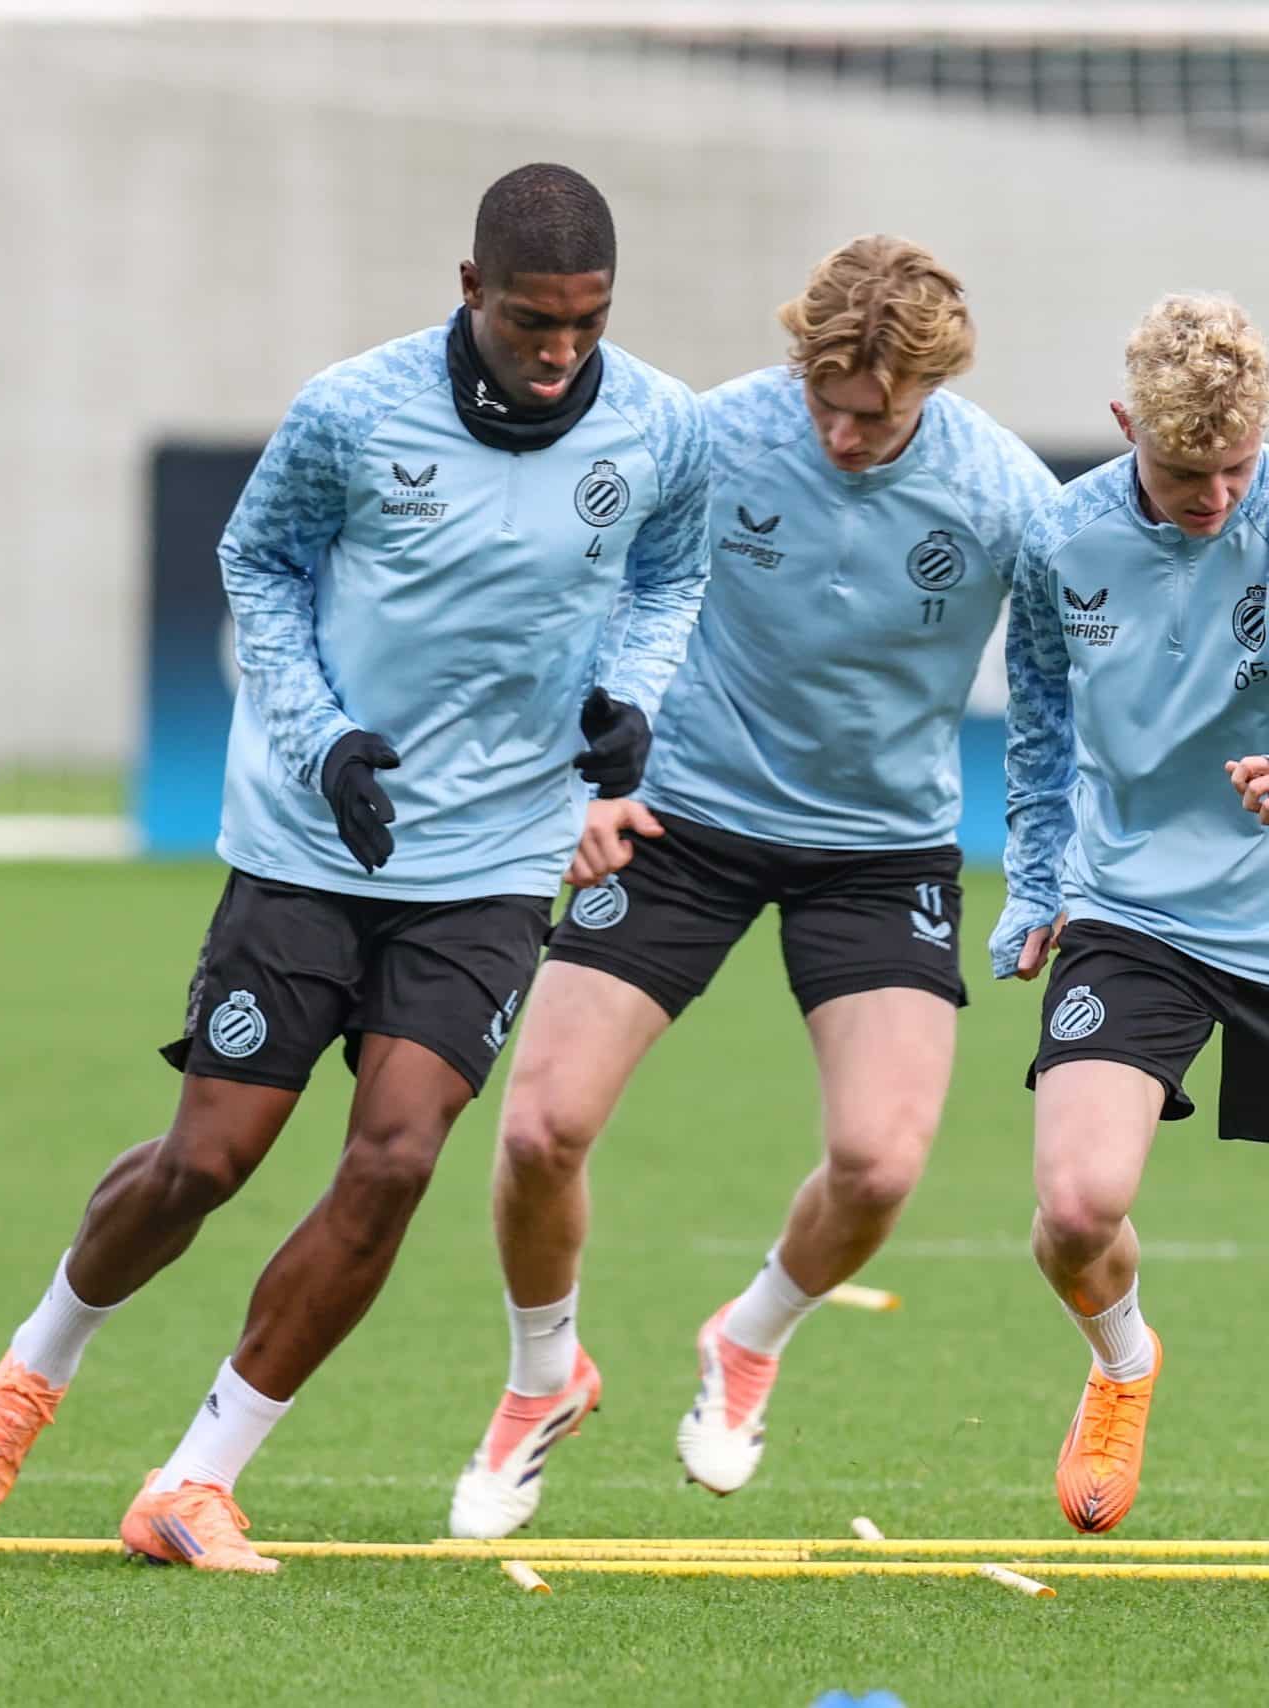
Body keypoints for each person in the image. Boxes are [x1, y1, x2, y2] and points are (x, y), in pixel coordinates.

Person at [0, 164, 711, 1572]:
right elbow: (260, 567)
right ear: (470, 289)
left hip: (493, 851)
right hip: (312, 834)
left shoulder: (661, 425)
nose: (559, 352)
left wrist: (631, 697)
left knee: (398, 1156)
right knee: (207, 1160)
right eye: (534, 320)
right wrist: (326, 739)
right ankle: (35, 1366)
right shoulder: (353, 408)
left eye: (586, 324)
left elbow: (669, 578)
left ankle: (197, 1478)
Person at [448, 236, 1058, 1536]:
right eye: (824, 402)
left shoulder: (1005, 494)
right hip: (685, 811)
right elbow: (582, 601)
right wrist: (583, 783)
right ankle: (542, 1376)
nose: (842, 433)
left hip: (880, 843)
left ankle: (749, 1336)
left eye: (874, 413)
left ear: (931, 390)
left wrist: (1051, 867)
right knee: (539, 1127)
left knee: (881, 1165)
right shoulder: (708, 436)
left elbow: (1057, 697)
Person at [990, 294, 1269, 1587]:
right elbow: (1036, 732)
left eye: (1238, 466)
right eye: (1188, 470)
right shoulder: (1062, 541)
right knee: (1077, 1206)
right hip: (1138, 908)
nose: (1216, 495)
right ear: (1128, 425)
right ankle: (1124, 1362)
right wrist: (1037, 885)